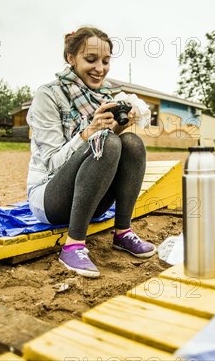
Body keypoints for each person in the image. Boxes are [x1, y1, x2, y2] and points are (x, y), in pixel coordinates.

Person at [26, 26, 156, 278]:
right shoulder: (48, 95)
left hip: (88, 199)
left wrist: (119, 126)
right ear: (71, 58)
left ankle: (123, 232)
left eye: (106, 61)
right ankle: (73, 245)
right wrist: (89, 132)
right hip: (49, 198)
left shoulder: (104, 95)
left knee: (131, 142)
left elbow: (105, 155)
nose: (100, 68)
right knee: (105, 142)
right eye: (91, 59)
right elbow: (53, 163)